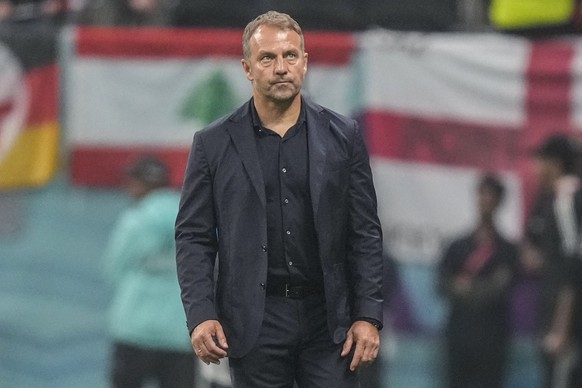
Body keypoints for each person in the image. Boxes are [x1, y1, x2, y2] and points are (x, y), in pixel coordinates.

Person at [175, 10, 384, 388]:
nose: (281, 67)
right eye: (267, 58)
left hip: (329, 322)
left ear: (305, 62)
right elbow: (194, 237)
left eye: (290, 56)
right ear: (247, 68)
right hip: (254, 322)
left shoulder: (344, 136)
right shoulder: (212, 144)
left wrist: (368, 315)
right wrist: (201, 314)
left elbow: (364, 233)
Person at [103, 156, 195, 388]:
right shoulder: (192, 217)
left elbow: (113, 269)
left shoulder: (134, 220)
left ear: (138, 184)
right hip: (180, 332)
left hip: (134, 329)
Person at [438, 174, 519, 388]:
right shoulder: (458, 246)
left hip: (492, 337)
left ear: (499, 202)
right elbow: (442, 284)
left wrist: (467, 287)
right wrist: (464, 287)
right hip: (459, 334)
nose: (486, 201)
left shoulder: (507, 250)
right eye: (482, 194)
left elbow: (501, 288)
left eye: (491, 196)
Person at [524, 134, 582, 388]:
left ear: (556, 164)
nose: (537, 168)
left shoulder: (567, 200)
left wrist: (561, 327)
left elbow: (573, 265)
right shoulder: (551, 199)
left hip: (570, 323)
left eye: (541, 160)